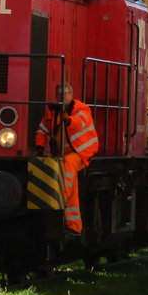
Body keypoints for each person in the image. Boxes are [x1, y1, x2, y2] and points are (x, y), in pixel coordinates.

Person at [34, 83, 99, 233]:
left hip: (82, 151)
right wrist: (39, 147)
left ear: (72, 94)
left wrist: (68, 120)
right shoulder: (51, 111)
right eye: (60, 94)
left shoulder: (82, 108)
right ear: (56, 96)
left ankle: (61, 196)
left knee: (68, 165)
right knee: (73, 183)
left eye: (66, 94)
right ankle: (74, 226)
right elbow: (42, 130)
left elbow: (79, 123)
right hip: (64, 153)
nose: (63, 97)